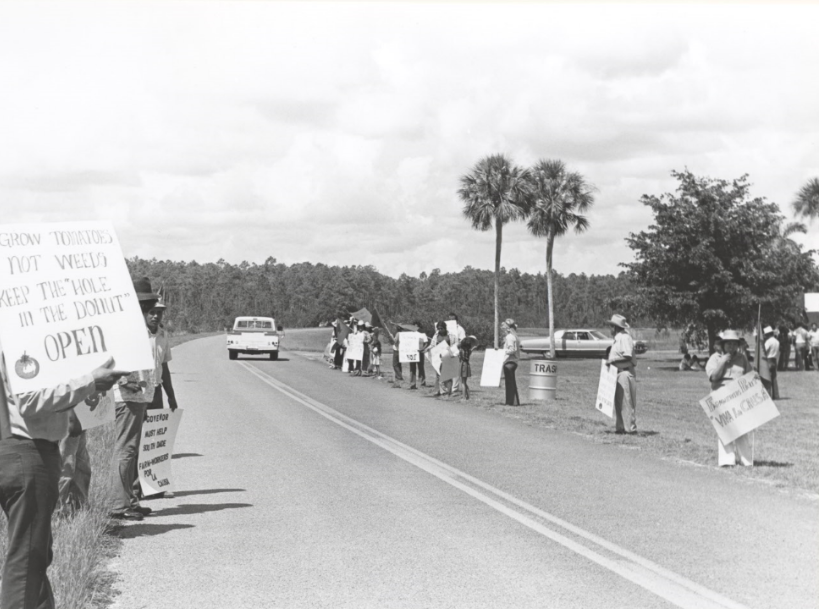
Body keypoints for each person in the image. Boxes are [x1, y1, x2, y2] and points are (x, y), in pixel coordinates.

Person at [0, 347, 126, 609]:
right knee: (27, 557)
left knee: (37, 551)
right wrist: (89, 382)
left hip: (23, 449)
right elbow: (30, 399)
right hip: (25, 450)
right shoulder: (22, 338)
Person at [110, 278, 163, 521]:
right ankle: (119, 505)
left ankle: (130, 499)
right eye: (148, 304)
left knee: (133, 449)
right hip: (129, 396)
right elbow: (115, 357)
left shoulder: (141, 329)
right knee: (126, 449)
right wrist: (124, 381)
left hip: (140, 395)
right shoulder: (126, 328)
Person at [705, 330, 754, 466]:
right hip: (720, 399)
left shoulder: (742, 358)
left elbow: (749, 377)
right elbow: (713, 377)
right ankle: (727, 461)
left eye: (734, 344)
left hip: (738, 398)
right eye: (728, 344)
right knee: (725, 430)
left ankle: (746, 460)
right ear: (723, 345)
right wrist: (722, 362)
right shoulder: (714, 358)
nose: (731, 347)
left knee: (741, 429)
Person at [607, 314, 637, 433]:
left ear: (615, 327)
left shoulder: (624, 338)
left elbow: (628, 357)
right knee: (618, 403)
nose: (609, 329)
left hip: (625, 372)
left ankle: (630, 429)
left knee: (627, 402)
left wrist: (613, 361)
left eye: (611, 326)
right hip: (618, 372)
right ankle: (620, 428)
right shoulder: (618, 338)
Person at [425, 322, 452, 397]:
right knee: (438, 374)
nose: (440, 330)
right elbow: (432, 345)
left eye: (441, 328)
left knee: (448, 374)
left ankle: (448, 391)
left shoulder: (450, 335)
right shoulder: (436, 335)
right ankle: (439, 391)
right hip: (438, 356)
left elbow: (454, 344)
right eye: (438, 328)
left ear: (445, 328)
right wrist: (427, 349)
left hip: (448, 356)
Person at [501, 319, 521, 405]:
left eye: (504, 327)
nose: (503, 329)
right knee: (511, 382)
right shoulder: (514, 336)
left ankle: (510, 402)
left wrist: (503, 352)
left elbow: (512, 349)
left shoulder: (509, 337)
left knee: (509, 383)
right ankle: (515, 401)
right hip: (513, 362)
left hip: (509, 362)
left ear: (508, 328)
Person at [446, 313, 466, 395]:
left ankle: (455, 389)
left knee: (456, 371)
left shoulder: (460, 329)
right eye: (449, 319)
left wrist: (456, 347)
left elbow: (463, 340)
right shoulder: (447, 328)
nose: (451, 321)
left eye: (453, 319)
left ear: (456, 320)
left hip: (456, 351)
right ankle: (448, 389)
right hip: (447, 351)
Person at [762, 326, 780, 399]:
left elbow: (764, 351)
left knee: (767, 378)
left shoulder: (768, 341)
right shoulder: (777, 341)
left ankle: (768, 394)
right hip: (774, 359)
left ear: (767, 334)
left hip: (768, 359)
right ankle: (776, 395)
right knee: (774, 378)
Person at [459, 336, 476, 401]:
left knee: (463, 382)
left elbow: (459, 357)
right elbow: (470, 351)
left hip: (462, 365)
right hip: (467, 365)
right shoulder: (469, 351)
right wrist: (473, 348)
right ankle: (468, 395)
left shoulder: (461, 350)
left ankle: (464, 397)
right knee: (464, 382)